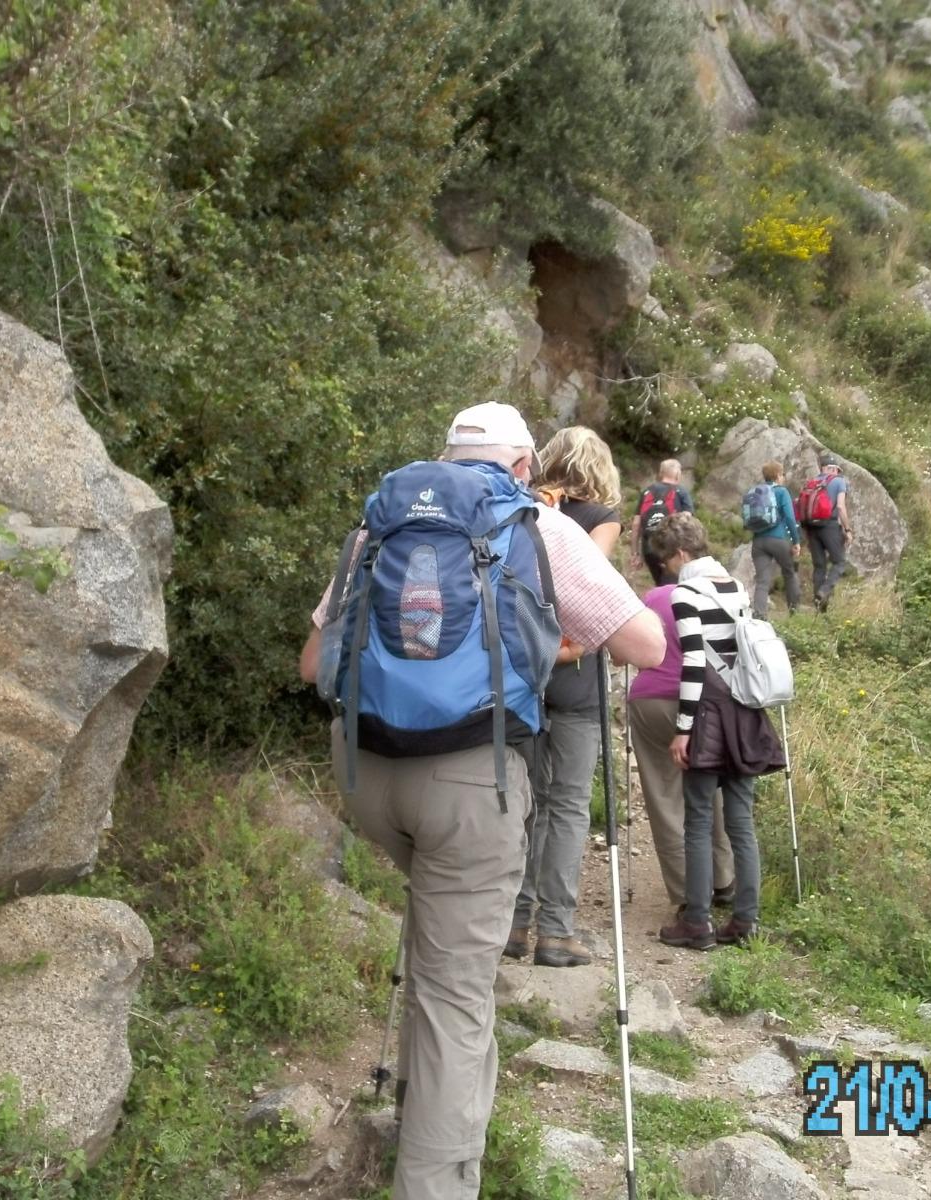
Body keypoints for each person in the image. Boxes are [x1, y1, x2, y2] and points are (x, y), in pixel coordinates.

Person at [298, 401, 663, 1200]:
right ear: (524, 467)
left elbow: (312, 663)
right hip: (469, 780)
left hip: (365, 773)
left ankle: (420, 1111)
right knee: (454, 995)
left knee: (439, 950)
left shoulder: (379, 525)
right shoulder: (539, 527)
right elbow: (645, 643)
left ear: (445, 457)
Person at [506, 427, 623, 968]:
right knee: (570, 804)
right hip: (575, 675)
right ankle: (555, 933)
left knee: (527, 800)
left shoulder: (524, 509)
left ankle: (514, 924)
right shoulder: (601, 518)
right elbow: (588, 588)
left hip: (526, 671)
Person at [651, 513, 785, 951]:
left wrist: (683, 729)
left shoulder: (686, 593)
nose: (668, 569)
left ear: (681, 554)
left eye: (668, 560)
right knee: (741, 822)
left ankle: (697, 921)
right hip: (744, 710)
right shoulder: (736, 587)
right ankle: (746, 920)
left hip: (708, 713)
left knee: (698, 819)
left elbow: (694, 663)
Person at [627, 573, 738, 919]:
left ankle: (689, 895)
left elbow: (627, 651)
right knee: (710, 789)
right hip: (705, 700)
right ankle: (724, 879)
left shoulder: (652, 598)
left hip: (651, 700)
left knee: (665, 797)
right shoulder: (717, 595)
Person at [799, 452, 853, 613]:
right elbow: (841, 507)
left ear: (822, 468)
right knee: (839, 562)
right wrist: (847, 529)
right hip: (829, 526)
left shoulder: (812, 482)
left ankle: (820, 609)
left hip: (811, 527)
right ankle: (824, 591)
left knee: (819, 566)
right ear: (834, 469)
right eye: (836, 469)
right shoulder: (839, 481)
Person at [749, 460, 803, 620]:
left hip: (758, 541)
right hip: (778, 540)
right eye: (783, 474)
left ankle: (759, 616)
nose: (783, 477)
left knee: (762, 581)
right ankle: (794, 614)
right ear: (778, 475)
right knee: (789, 573)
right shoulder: (781, 492)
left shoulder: (755, 492)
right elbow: (790, 518)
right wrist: (796, 541)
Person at [630, 458, 694, 585]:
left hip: (649, 549)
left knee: (661, 583)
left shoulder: (647, 491)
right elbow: (687, 520)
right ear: (678, 474)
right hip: (672, 548)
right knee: (673, 585)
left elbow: (636, 524)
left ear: (661, 473)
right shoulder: (681, 492)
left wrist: (635, 553)